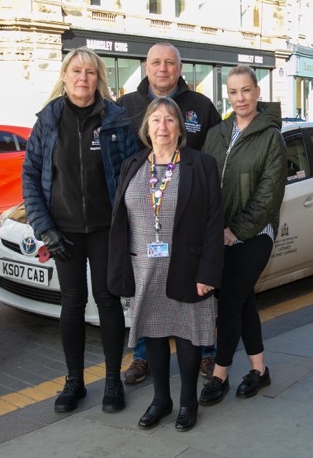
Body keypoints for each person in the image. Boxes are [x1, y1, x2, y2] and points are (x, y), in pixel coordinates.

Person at [22, 47, 139, 413]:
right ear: (65, 76)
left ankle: (112, 381)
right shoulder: (48, 121)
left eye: (90, 72)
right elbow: (30, 177)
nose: (83, 78)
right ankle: (74, 381)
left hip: (106, 228)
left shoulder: (116, 119)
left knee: (107, 301)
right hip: (64, 231)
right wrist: (45, 229)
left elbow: (133, 172)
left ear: (98, 78)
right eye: (76, 71)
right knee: (71, 304)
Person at [108, 97, 223, 431]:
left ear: (180, 127)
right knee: (153, 334)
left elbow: (215, 221)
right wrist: (121, 269)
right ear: (146, 127)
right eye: (156, 120)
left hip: (186, 266)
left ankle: (188, 402)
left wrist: (208, 272)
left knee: (187, 335)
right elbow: (120, 221)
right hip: (144, 266)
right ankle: (161, 399)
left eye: (170, 120)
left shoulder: (200, 165)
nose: (162, 127)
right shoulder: (132, 165)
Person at [118, 42, 221, 384]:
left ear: (180, 69)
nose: (163, 69)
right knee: (149, 296)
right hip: (146, 228)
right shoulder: (126, 106)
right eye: (156, 63)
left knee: (194, 299)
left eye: (170, 63)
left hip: (187, 221)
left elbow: (215, 164)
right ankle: (144, 358)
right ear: (146, 67)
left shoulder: (201, 107)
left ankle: (207, 354)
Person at [199, 65, 287, 406]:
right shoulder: (217, 133)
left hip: (254, 234)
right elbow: (205, 181)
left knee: (231, 301)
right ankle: (259, 370)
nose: (240, 98)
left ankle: (220, 374)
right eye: (234, 92)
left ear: (258, 92)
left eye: (246, 91)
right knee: (244, 300)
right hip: (218, 234)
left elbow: (268, 196)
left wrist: (235, 231)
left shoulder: (271, 137)